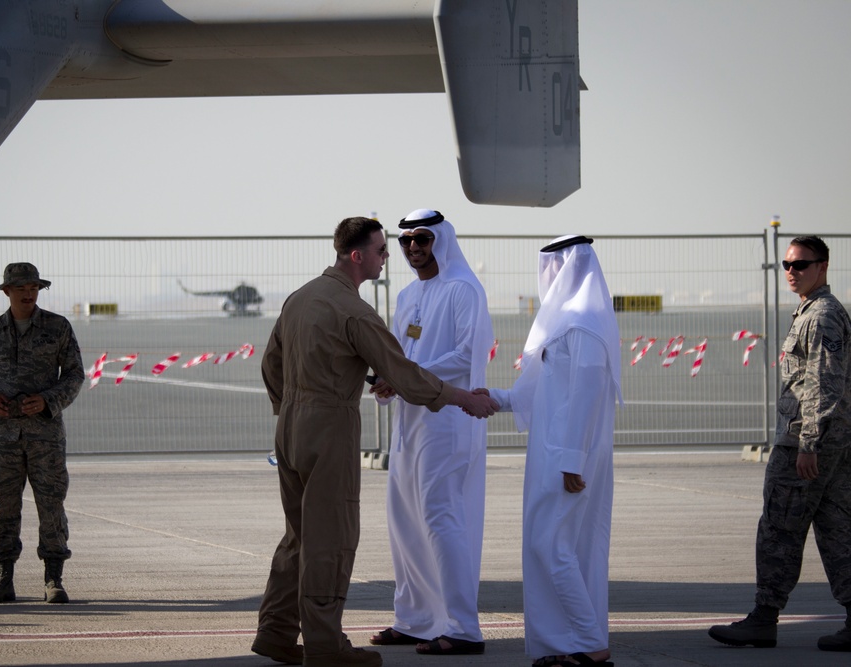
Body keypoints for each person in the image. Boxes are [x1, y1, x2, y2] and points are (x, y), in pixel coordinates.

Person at [251, 216, 498, 667]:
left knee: (298, 536)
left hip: (289, 425)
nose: (392, 256)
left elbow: (271, 364)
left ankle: (275, 632)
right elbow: (403, 372)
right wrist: (462, 397)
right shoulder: (355, 310)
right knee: (331, 536)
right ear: (358, 255)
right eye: (386, 249)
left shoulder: (299, 298)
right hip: (329, 427)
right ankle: (325, 646)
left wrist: (289, 410)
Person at [709, 235, 851, 652]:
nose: (792, 272)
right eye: (787, 265)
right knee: (838, 530)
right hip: (831, 443)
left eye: (801, 265)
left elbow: (825, 384)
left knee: (778, 529)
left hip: (805, 445)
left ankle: (763, 618)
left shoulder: (822, 316)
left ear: (823, 266)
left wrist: (808, 441)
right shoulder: (813, 311)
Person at [486, 236, 621, 667]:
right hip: (557, 453)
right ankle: (571, 642)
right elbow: (538, 389)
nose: (548, 275)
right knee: (570, 548)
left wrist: (570, 462)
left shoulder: (581, 323)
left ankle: (589, 642)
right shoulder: (565, 323)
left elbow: (583, 398)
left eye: (554, 266)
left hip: (566, 457)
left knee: (552, 545)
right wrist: (493, 397)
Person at [366, 209, 494, 656]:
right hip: (407, 423)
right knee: (404, 521)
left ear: (440, 239)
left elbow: (466, 355)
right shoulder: (405, 295)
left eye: (421, 239)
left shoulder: (464, 290)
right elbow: (397, 355)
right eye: (405, 242)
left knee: (442, 519)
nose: (413, 248)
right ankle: (416, 620)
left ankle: (463, 629)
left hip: (447, 422)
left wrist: (405, 375)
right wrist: (388, 382)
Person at [0, 262, 85, 604]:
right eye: (21, 288)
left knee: (51, 505)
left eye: (33, 287)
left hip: (45, 436)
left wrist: (48, 400)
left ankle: (54, 580)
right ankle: (3, 579)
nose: (28, 293)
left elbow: (75, 374)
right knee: (2, 506)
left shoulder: (57, 327)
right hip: (4, 437)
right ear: (7, 292)